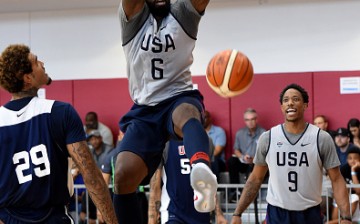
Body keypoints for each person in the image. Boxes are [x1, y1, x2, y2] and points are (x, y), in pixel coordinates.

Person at [114, 0, 217, 223]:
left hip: (178, 97)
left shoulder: (183, 13)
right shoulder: (133, 19)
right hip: (145, 111)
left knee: (187, 115)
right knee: (122, 175)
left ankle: (201, 170)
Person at [0, 44, 117, 223]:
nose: (42, 62)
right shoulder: (60, 112)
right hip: (52, 217)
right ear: (27, 78)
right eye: (36, 61)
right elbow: (91, 175)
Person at [230, 83, 351, 224]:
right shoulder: (268, 138)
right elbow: (255, 178)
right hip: (277, 212)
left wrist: (346, 217)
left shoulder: (321, 138)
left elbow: (336, 179)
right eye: (286, 100)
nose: (290, 103)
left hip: (309, 212)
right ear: (282, 107)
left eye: (295, 99)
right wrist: (237, 213)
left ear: (305, 105)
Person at [148, 140, 228, 224]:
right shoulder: (163, 142)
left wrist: (219, 213)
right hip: (173, 212)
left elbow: (208, 182)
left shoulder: (205, 140)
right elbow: (155, 186)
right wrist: (152, 217)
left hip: (201, 213)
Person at [227, 108, 265, 201]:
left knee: (259, 165)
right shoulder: (240, 133)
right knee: (232, 161)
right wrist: (243, 157)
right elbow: (236, 150)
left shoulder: (264, 133)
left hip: (257, 162)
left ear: (256, 119)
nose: (250, 122)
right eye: (247, 120)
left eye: (252, 119)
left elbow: (266, 152)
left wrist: (255, 158)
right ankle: (235, 192)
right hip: (244, 161)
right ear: (245, 121)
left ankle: (253, 194)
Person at [79, 130, 113, 223]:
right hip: (96, 186)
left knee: (108, 211)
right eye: (91, 139)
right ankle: (89, 219)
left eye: (95, 138)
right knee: (87, 196)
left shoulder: (109, 150)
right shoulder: (90, 152)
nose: (93, 141)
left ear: (101, 138)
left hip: (109, 186)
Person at [325, 146, 360, 223]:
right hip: (345, 195)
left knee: (356, 197)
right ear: (347, 159)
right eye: (350, 158)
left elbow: (358, 191)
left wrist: (353, 171)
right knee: (338, 199)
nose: (353, 160)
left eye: (355, 158)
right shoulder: (343, 169)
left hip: (355, 198)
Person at [204, 110, 227, 180]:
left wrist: (203, 159)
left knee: (213, 159)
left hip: (218, 161)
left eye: (204, 117)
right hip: (202, 159)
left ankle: (216, 188)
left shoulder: (219, 131)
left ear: (210, 118)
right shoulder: (197, 132)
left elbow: (217, 151)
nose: (202, 120)